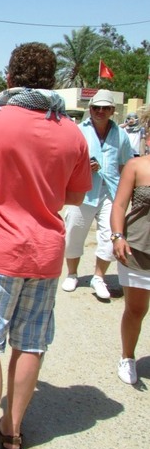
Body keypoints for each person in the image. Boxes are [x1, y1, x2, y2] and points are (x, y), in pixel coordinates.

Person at [0, 42, 92, 449]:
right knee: (30, 343)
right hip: (45, 255)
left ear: (10, 77)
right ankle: (12, 432)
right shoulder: (71, 131)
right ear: (52, 81)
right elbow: (76, 195)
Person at [61, 89, 134, 299]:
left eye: (105, 108)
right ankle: (72, 273)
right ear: (90, 109)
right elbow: (66, 161)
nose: (100, 111)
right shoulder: (78, 131)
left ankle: (99, 277)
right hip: (82, 191)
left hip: (111, 192)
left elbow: (125, 165)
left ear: (112, 110)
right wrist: (83, 167)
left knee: (110, 236)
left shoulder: (121, 135)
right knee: (74, 232)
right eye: (96, 107)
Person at [110, 105, 150, 385]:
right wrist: (117, 236)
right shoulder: (137, 167)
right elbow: (119, 205)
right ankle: (128, 356)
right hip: (138, 250)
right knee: (136, 310)